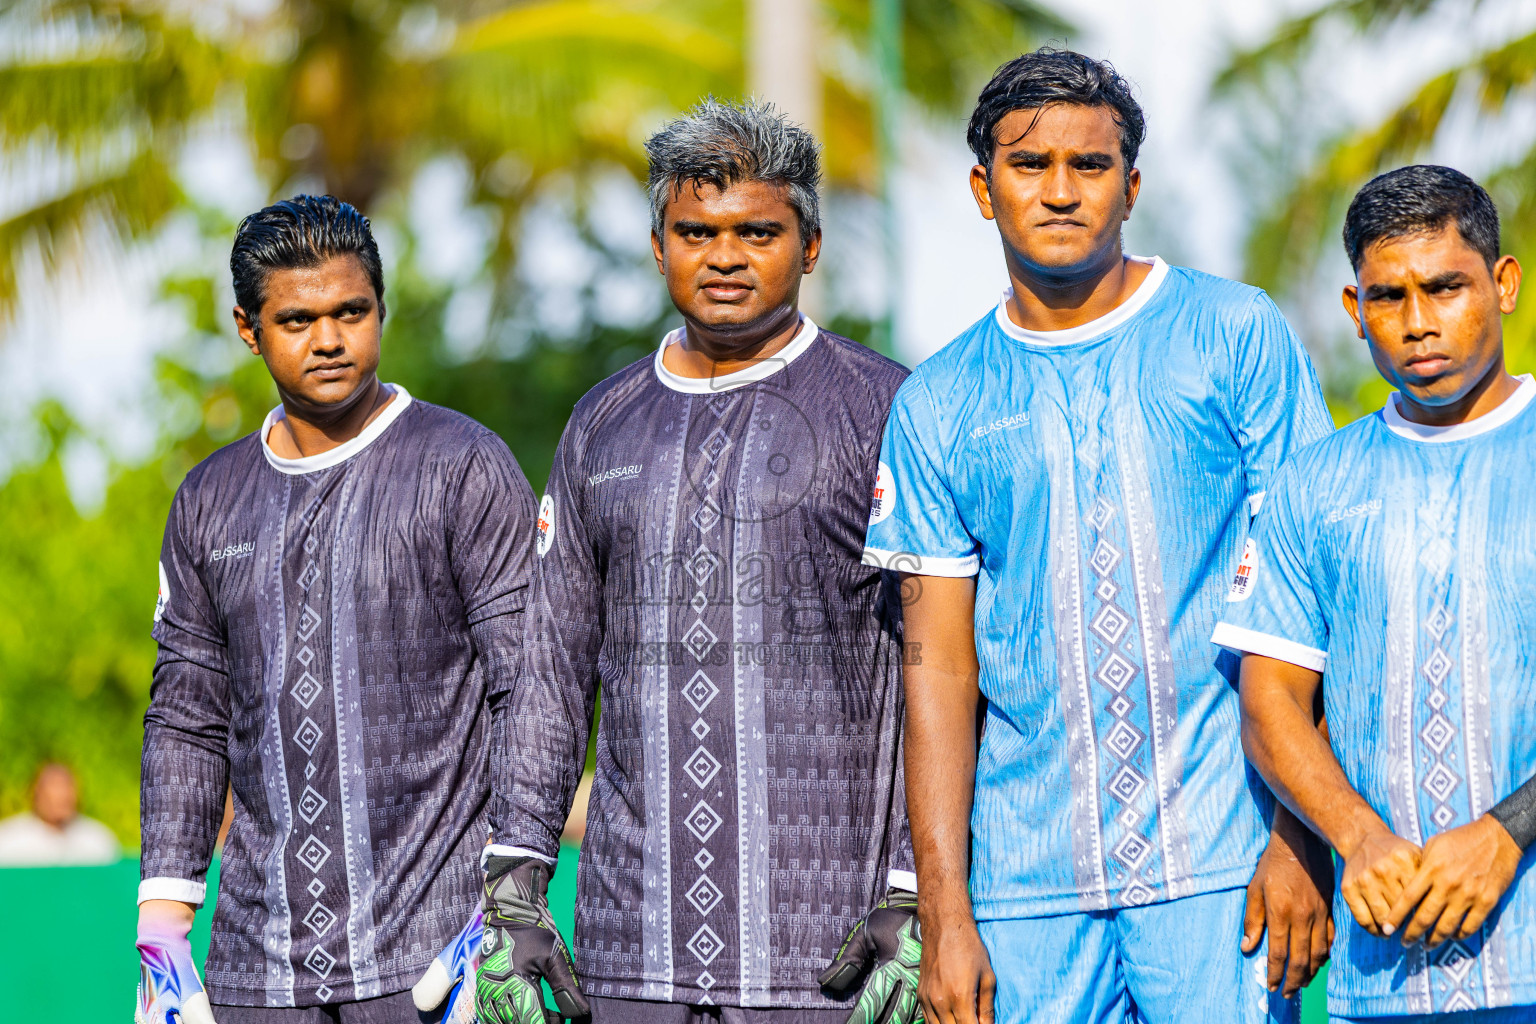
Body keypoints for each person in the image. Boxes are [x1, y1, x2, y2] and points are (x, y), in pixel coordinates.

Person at [863, 48, 1339, 1024]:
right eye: (1030, 164)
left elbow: (1313, 604)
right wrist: (947, 911)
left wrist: (1301, 838)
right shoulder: (938, 402)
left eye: (1090, 165)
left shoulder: (1234, 336)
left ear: (1131, 183)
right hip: (1023, 889)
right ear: (982, 188)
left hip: (1223, 866)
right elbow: (939, 669)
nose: (1061, 189)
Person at [477, 99, 919, 1024]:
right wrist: (515, 883)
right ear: (656, 243)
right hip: (626, 950)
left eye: (758, 230)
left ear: (810, 245)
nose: (724, 255)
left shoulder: (888, 409)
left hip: (833, 956)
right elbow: (550, 669)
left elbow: (943, 664)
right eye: (696, 232)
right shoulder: (601, 422)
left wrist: (915, 885)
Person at [135, 195, 537, 1024]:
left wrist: (508, 902)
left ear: (380, 310)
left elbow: (530, 694)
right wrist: (164, 930)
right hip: (255, 969)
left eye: (351, 312)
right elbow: (186, 715)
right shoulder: (209, 500)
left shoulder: (462, 465)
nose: (328, 339)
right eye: (297, 319)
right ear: (248, 329)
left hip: (435, 959)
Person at [1217, 165, 1536, 1022]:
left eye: (1446, 288)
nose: (1419, 323)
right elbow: (1272, 702)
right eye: (1389, 297)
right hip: (1383, 976)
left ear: (1502, 285)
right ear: (1356, 309)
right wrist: (1355, 839)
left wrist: (1509, 830)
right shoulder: (1313, 485)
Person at [0, 761, 119, 865]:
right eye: (53, 789)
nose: (61, 795)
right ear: (36, 793)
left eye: (66, 787)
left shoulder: (97, 839)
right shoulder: (9, 839)